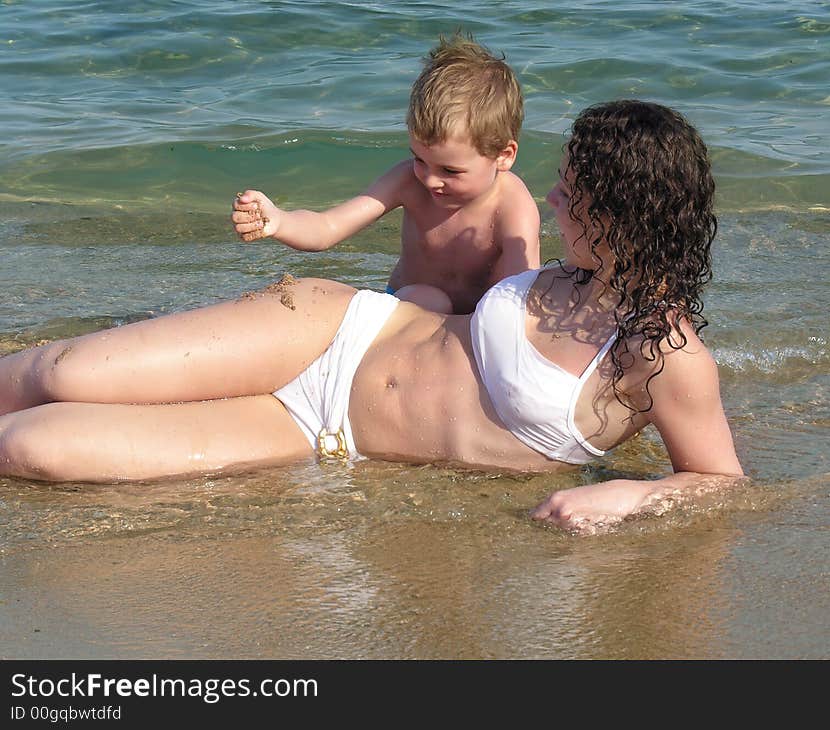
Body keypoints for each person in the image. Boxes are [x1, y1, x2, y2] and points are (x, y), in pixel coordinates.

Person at [0, 100, 744, 532]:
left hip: (321, 436)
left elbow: (721, 480)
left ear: (622, 213)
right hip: (332, 330)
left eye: (572, 192)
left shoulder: (664, 356)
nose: (552, 200)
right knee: (57, 370)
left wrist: (631, 492)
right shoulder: (561, 271)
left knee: (36, 447)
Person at [231, 33, 540, 315]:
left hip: (476, 319)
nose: (430, 179)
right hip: (405, 311)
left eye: (450, 170)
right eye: (419, 159)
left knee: (509, 297)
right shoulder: (408, 181)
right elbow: (327, 227)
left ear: (504, 155)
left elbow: (520, 292)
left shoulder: (512, 206)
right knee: (431, 300)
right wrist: (280, 221)